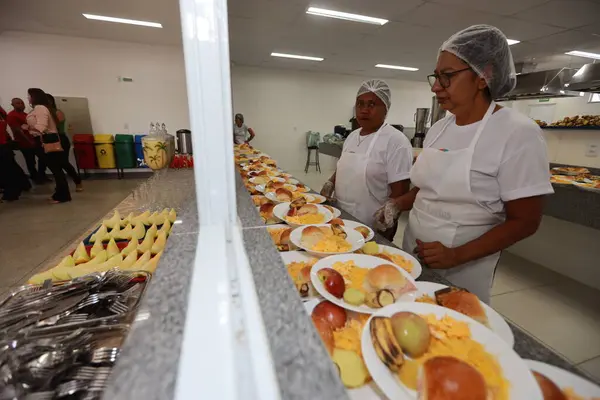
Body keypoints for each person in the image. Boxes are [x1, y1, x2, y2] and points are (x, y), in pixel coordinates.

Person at [374, 25, 554, 303]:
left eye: (447, 77)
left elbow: (526, 221)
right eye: (435, 76)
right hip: (413, 251)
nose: (436, 87)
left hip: (464, 268)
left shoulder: (518, 133)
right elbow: (428, 188)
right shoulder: (439, 129)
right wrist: (396, 204)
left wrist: (456, 255)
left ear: (485, 76)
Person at [320, 79, 412, 240]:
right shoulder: (352, 136)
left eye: (372, 105)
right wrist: (330, 183)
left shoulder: (396, 141)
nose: (364, 110)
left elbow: (400, 194)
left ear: (386, 108)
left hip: (371, 227)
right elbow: (345, 167)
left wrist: (388, 222)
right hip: (341, 221)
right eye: (360, 104)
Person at [24, 88, 72, 203]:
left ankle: (62, 196)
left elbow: (41, 127)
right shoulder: (42, 108)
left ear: (34, 97)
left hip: (46, 141)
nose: (28, 98)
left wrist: (27, 128)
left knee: (56, 169)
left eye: (29, 96)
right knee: (56, 169)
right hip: (46, 140)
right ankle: (60, 194)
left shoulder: (40, 108)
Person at [47, 94, 83, 192]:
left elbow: (55, 127)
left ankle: (77, 181)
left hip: (60, 139)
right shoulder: (41, 114)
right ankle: (61, 186)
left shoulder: (57, 112)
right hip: (48, 140)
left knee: (64, 163)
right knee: (54, 165)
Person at [6, 97, 47, 183]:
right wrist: (29, 141)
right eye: (18, 103)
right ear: (12, 105)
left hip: (34, 139)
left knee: (43, 158)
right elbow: (18, 130)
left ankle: (41, 176)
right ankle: (35, 177)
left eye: (22, 103)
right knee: (30, 161)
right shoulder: (11, 115)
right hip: (24, 142)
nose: (21, 104)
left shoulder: (26, 115)